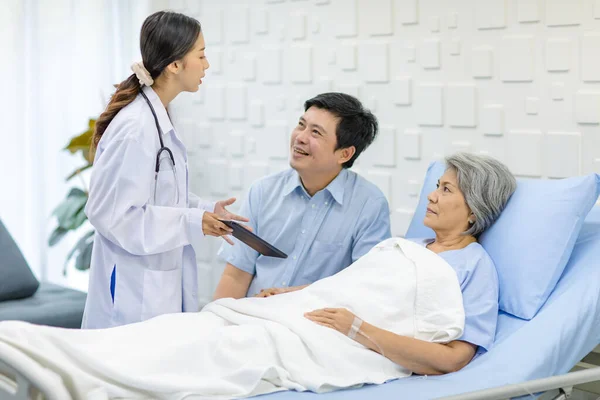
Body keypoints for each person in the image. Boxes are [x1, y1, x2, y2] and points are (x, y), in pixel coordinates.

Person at [82, 11, 248, 329]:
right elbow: (111, 214)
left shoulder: (159, 117)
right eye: (201, 55)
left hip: (156, 288)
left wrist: (204, 210)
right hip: (131, 296)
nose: (207, 65)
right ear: (174, 64)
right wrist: (192, 221)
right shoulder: (135, 127)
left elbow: (158, 195)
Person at [304, 152, 517, 375]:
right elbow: (351, 285)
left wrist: (357, 328)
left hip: (352, 342)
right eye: (437, 186)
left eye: (446, 189)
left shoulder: (474, 266)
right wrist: (293, 293)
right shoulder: (408, 246)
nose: (431, 196)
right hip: (328, 318)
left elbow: (454, 358)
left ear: (474, 210)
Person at [213, 92, 392, 300]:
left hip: (313, 324)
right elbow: (235, 275)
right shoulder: (262, 192)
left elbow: (365, 286)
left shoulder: (369, 204)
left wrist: (292, 296)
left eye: (316, 133)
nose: (300, 137)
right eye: (301, 124)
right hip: (254, 317)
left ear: (345, 153)